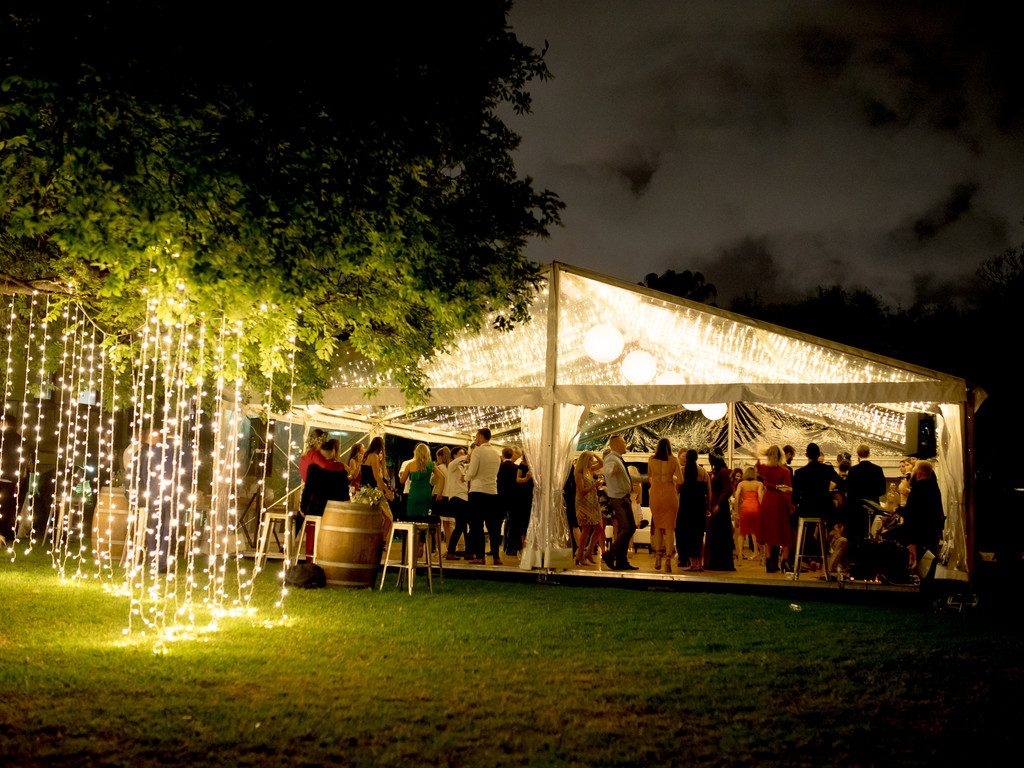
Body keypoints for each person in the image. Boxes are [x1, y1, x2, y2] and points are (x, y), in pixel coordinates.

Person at [791, 443, 842, 571]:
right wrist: (832, 493)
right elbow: (841, 483)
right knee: (827, 524)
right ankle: (823, 550)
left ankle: (809, 553)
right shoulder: (827, 469)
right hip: (825, 509)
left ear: (806, 455)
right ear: (819, 454)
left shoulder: (800, 473)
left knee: (794, 521)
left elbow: (795, 498)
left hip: (807, 508)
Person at [464, 428, 501, 565]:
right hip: (492, 491)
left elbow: (472, 472)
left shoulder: (477, 451)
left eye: (476, 436)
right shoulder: (496, 454)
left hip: (478, 491)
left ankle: (480, 556)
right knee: (493, 526)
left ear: (480, 436)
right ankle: (496, 556)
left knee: (476, 525)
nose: (475, 438)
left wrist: (465, 476)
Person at [755, 445, 794, 573]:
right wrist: (790, 505)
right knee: (785, 533)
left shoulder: (765, 469)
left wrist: (769, 485)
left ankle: (768, 561)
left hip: (767, 501)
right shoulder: (785, 471)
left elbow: (758, 469)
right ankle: (785, 561)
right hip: (780, 503)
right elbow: (787, 489)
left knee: (768, 533)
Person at [602, 435, 638, 571]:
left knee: (626, 529)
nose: (626, 444)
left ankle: (622, 562)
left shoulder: (617, 458)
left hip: (622, 498)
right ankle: (610, 554)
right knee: (629, 528)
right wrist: (611, 471)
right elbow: (608, 470)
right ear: (616, 444)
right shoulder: (611, 459)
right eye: (623, 442)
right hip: (619, 499)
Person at [900, 460, 944, 569]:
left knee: (920, 567)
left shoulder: (918, 489)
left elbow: (911, 513)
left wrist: (897, 510)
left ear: (918, 474)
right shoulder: (935, 488)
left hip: (918, 535)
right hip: (931, 534)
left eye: (913, 471)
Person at [647, 438, 681, 573]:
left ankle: (657, 557)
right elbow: (681, 480)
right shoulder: (673, 460)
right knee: (669, 528)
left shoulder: (651, 459)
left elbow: (649, 477)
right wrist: (671, 478)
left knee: (658, 527)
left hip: (655, 494)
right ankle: (668, 560)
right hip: (669, 494)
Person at [676, 448, 711, 571]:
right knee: (698, 535)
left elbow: (676, 491)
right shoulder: (703, 472)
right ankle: (699, 563)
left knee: (686, 535)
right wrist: (708, 508)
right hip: (699, 508)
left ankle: (692, 563)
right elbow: (709, 493)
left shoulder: (682, 471)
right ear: (697, 458)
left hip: (685, 508)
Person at [845, 443, 887, 540]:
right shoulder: (877, 469)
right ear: (868, 453)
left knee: (859, 534)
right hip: (873, 505)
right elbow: (882, 489)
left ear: (857, 454)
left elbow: (849, 490)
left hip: (857, 507)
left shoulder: (853, 470)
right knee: (871, 532)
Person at [0, 412, 31, 545]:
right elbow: (22, 463)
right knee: (7, 509)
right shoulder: (20, 441)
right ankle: (3, 534)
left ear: (5, 423)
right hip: (12, 479)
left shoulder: (2, 437)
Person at [398, 442, 444, 521]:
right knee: (424, 518)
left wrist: (402, 474)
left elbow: (402, 481)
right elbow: (442, 477)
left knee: (412, 519)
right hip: (426, 494)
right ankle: (423, 533)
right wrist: (440, 493)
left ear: (416, 452)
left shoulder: (409, 465)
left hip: (414, 495)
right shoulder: (431, 464)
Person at [705, 455, 735, 571]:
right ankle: (713, 562)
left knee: (719, 533)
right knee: (715, 533)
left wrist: (718, 503)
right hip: (716, 503)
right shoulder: (718, 472)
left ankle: (719, 563)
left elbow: (727, 490)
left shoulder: (723, 473)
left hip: (720, 506)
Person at [361, 436, 395, 542]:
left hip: (364, 490)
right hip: (373, 491)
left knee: (372, 519)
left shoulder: (365, 456)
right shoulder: (374, 456)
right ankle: (382, 541)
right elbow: (376, 477)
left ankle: (375, 540)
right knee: (389, 517)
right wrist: (387, 491)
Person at [573, 451, 603, 566]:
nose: (593, 462)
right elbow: (581, 491)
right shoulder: (579, 473)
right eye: (590, 460)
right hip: (583, 503)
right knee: (586, 530)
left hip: (592, 502)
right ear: (585, 461)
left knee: (599, 528)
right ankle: (580, 555)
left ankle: (588, 552)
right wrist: (594, 486)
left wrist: (594, 454)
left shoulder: (589, 470)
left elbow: (602, 463)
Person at [443, 447, 470, 559]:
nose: (462, 455)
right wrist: (468, 456)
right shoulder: (452, 465)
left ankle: (466, 551)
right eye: (460, 453)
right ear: (454, 455)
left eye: (464, 453)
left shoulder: (463, 467)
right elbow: (463, 460)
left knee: (463, 526)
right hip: (457, 497)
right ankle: (451, 551)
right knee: (460, 526)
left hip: (464, 497)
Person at [733, 466, 764, 562]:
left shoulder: (741, 484)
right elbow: (759, 496)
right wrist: (762, 509)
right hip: (755, 508)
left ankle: (740, 555)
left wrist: (736, 511)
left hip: (745, 508)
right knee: (755, 531)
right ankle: (757, 552)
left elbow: (737, 497)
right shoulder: (759, 484)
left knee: (741, 533)